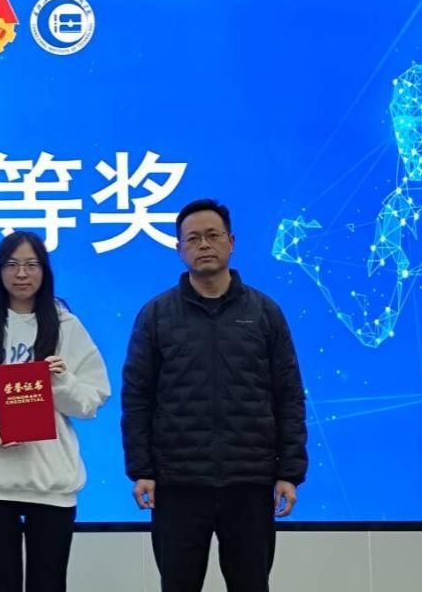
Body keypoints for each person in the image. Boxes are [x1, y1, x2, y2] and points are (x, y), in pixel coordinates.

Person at [121, 199, 308, 592]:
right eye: (192, 239)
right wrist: (142, 470)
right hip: (178, 484)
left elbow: (288, 395)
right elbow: (137, 398)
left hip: (249, 482)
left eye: (212, 235)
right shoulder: (156, 315)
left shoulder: (264, 313)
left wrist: (289, 473)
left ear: (231, 242)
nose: (203, 245)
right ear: (179, 249)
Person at [0, 231, 111, 592]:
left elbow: (92, 400)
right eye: (12, 264)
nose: (22, 274)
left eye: (32, 265)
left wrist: (61, 382)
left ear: (45, 271)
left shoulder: (67, 326)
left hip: (51, 483)